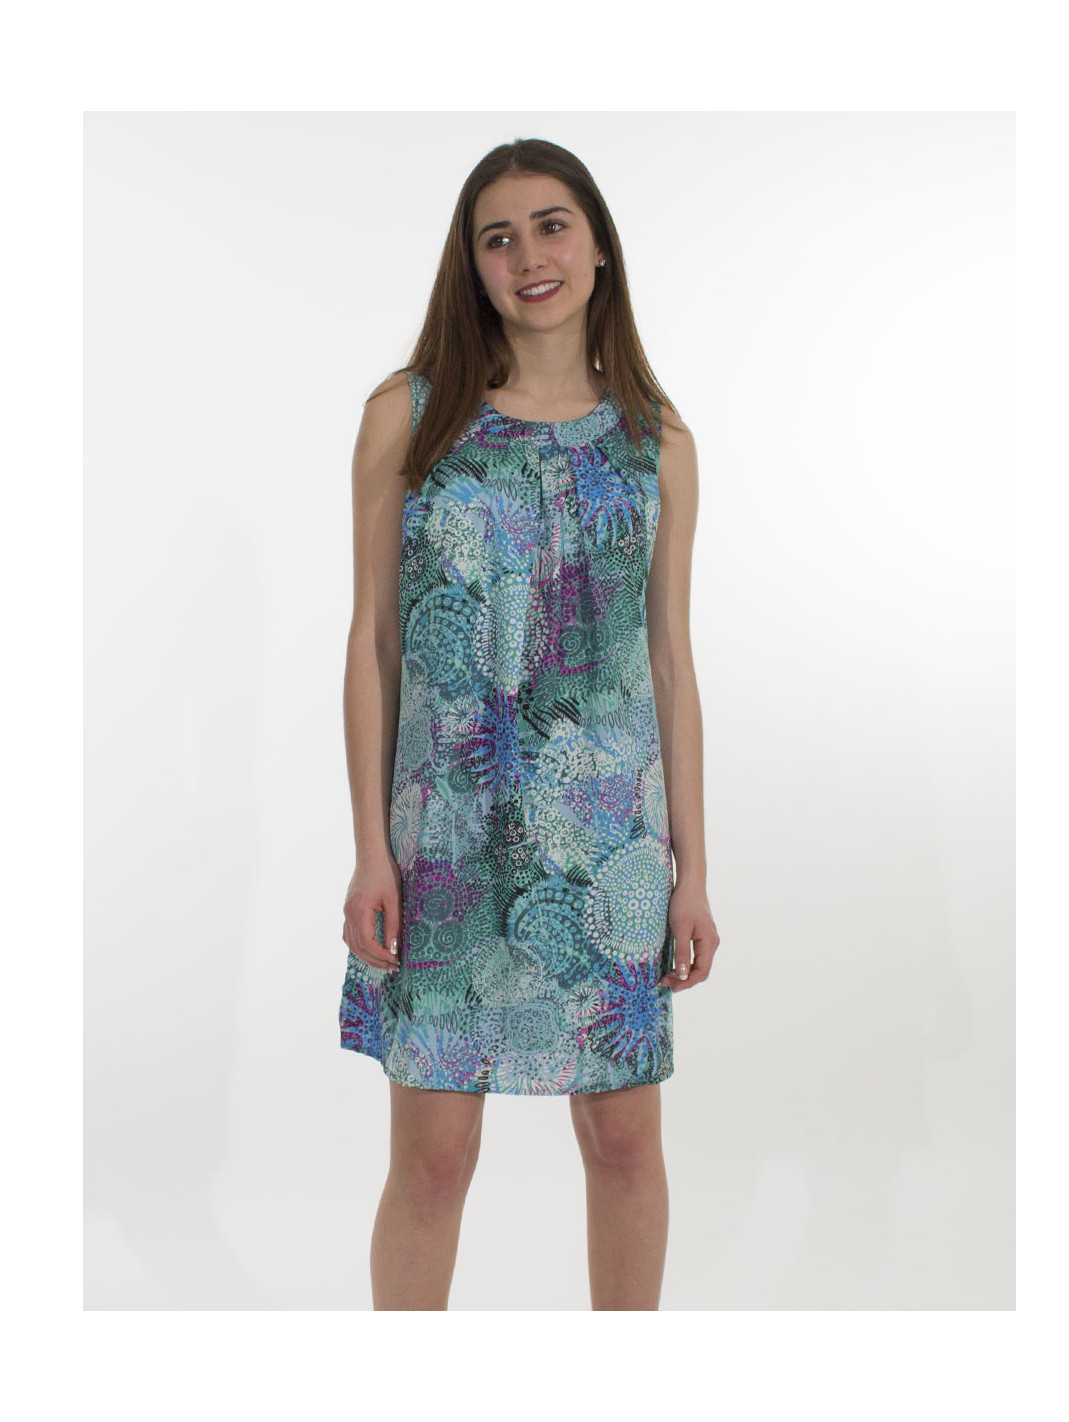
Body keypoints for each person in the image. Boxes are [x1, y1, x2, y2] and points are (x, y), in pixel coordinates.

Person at [338, 138, 719, 1310]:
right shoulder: (410, 416)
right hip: (445, 837)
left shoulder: (654, 439)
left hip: (606, 844)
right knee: (433, 1159)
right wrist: (370, 850)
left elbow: (667, 663)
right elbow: (375, 642)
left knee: (622, 1145)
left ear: (597, 245)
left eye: (551, 225)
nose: (527, 257)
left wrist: (691, 872)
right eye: (496, 238)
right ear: (472, 266)